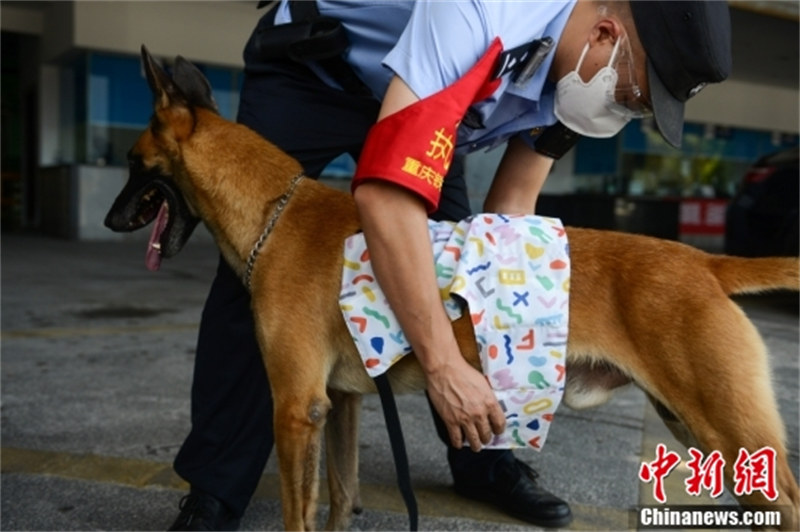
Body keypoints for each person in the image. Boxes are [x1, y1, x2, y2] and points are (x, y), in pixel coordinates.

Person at [168, 1, 731, 530]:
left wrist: (525, 336)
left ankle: (486, 463)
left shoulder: (581, 82)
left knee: (459, 261)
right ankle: (216, 488)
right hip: (314, 71)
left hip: (428, 108)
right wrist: (441, 366)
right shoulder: (481, 10)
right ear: (605, 35)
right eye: (638, 97)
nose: (632, 111)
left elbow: (508, 221)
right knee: (260, 270)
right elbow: (386, 201)